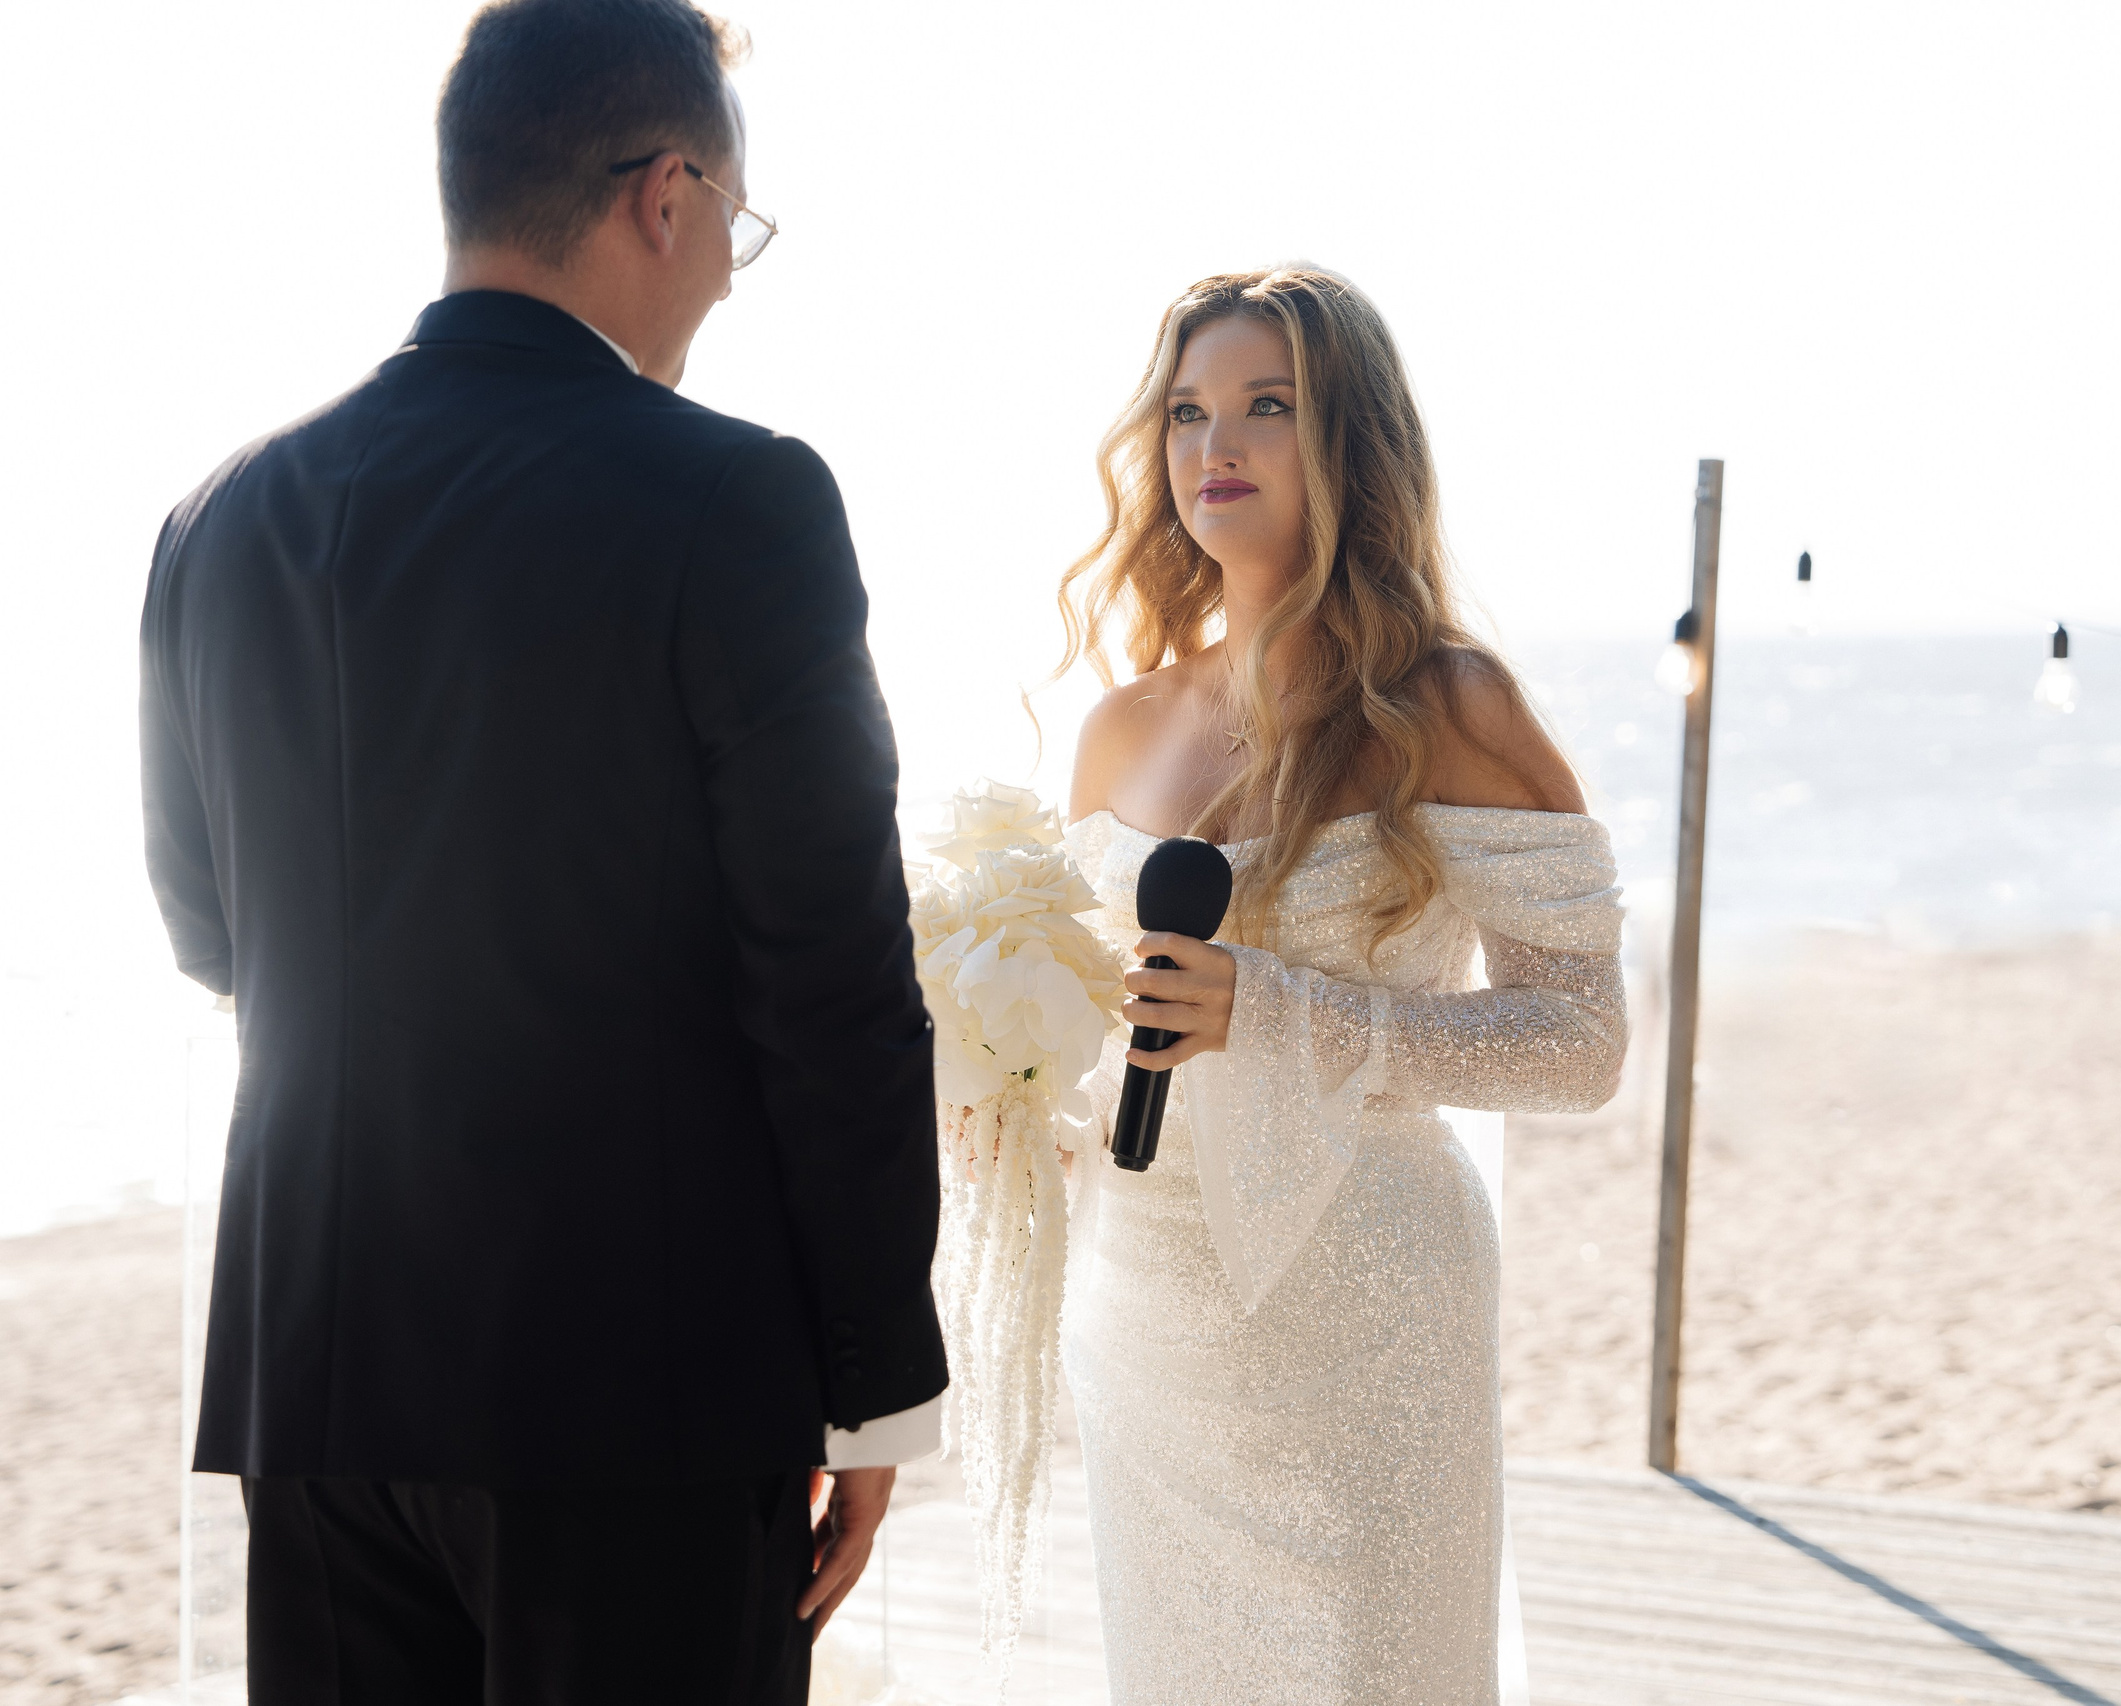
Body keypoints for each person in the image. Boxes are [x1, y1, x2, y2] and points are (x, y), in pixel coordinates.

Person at [138, 3, 943, 1699]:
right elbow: (833, 981)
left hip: (320, 1380)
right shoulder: (743, 502)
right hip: (636, 1393)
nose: (730, 268)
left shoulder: (219, 518)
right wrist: (876, 1379)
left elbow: (214, 932)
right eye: (739, 220)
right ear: (668, 193)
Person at [1058, 266, 1630, 1703]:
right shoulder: (1121, 725)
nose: (1214, 446)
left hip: (1370, 1321)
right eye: (1187, 412)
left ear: (1352, 441)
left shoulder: (1447, 706)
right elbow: (1080, 1024)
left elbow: (1581, 1041)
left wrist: (1282, 1013)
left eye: (1267, 406)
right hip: (1148, 1315)